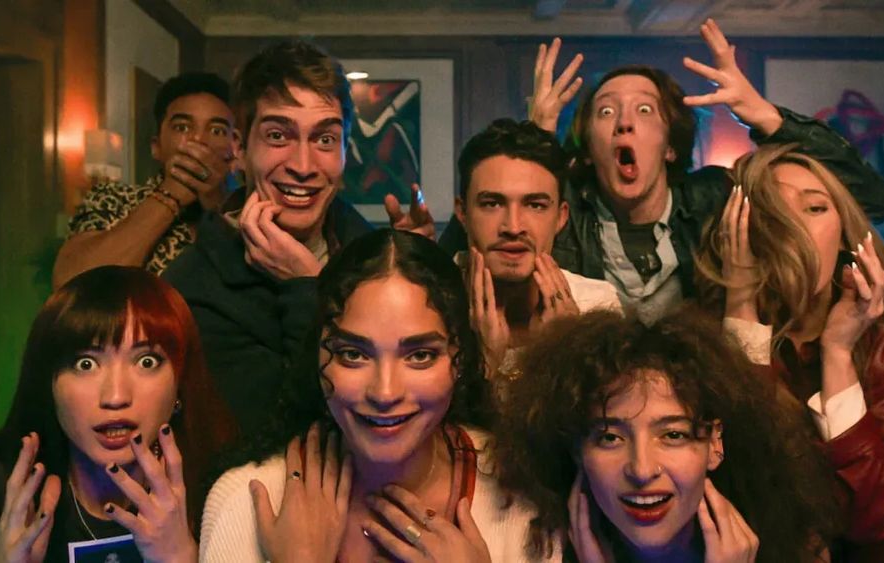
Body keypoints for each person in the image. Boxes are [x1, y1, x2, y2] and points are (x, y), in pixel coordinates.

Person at [439, 20, 884, 324]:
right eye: (605, 112)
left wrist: (765, 117)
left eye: (644, 110)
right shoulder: (561, 213)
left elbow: (874, 200)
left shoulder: (717, 199)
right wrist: (536, 144)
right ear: (588, 149)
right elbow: (464, 254)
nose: (624, 123)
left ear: (671, 145)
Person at [199, 229, 553, 562]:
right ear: (317, 356)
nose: (385, 393)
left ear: (459, 358)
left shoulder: (520, 494)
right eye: (354, 354)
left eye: (419, 355)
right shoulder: (246, 500)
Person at [163, 40, 434, 437]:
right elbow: (283, 432)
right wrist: (307, 289)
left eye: (324, 139)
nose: (304, 166)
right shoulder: (192, 287)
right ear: (239, 149)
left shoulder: (366, 251)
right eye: (278, 136)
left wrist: (411, 274)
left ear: (344, 152)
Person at [0, 266, 236, 563]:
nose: (115, 397)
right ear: (50, 383)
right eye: (86, 364)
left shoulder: (224, 485)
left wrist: (180, 558)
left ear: (180, 383)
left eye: (146, 362)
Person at [494, 309, 839, 562]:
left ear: (715, 443)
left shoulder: (797, 549)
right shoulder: (537, 552)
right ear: (576, 450)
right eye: (611, 438)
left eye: (673, 435)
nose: (642, 470)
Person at [696, 144, 884, 560]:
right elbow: (740, 490)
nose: (794, 228)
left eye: (814, 208)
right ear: (743, 232)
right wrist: (741, 306)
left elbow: (876, 517)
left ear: (844, 235)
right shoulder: (701, 338)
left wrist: (838, 353)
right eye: (774, 212)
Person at [454, 118, 620, 381]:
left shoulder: (596, 306)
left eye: (535, 205)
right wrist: (484, 362)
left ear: (561, 218)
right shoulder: (429, 305)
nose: (513, 227)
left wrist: (564, 348)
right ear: (462, 213)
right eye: (492, 204)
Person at [55, 73, 238, 288]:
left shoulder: (250, 212)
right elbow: (73, 287)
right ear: (156, 147)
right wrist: (170, 196)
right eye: (182, 127)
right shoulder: (114, 200)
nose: (198, 140)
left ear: (237, 150)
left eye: (217, 131)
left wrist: (217, 205)